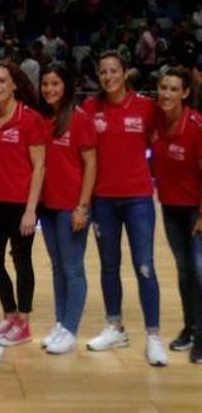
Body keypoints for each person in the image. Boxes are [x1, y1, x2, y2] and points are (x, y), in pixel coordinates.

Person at [81, 51, 168, 366]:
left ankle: (154, 335)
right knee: (108, 266)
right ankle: (115, 325)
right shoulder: (90, 108)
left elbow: (169, 134)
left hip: (139, 200)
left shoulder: (146, 107)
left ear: (125, 73)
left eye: (113, 71)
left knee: (144, 267)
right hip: (103, 200)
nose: (108, 77)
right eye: (103, 72)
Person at [0, 60, 45, 347]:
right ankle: (10, 314)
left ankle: (25, 324)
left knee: (21, 261)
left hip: (21, 205)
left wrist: (31, 210)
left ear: (15, 84)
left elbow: (39, 167)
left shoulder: (29, 119)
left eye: (2, 81)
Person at [38, 63, 97, 354]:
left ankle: (71, 329)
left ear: (68, 86)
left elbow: (91, 165)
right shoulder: (45, 119)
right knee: (58, 267)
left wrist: (82, 207)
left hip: (70, 206)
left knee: (73, 269)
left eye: (55, 84)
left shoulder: (80, 118)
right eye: (45, 84)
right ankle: (60, 323)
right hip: (48, 206)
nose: (49, 89)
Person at [150, 68, 202, 363]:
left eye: (173, 89)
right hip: (171, 208)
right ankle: (190, 327)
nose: (166, 94)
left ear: (185, 93)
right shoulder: (156, 123)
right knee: (185, 272)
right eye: (163, 88)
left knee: (200, 271)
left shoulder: (196, 126)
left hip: (197, 210)